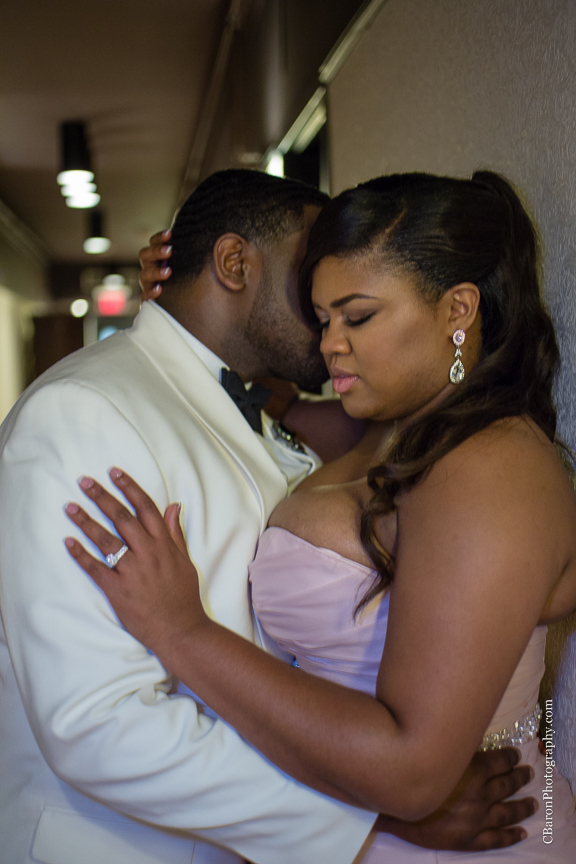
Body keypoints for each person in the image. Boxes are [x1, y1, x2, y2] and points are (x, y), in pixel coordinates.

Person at [0, 169, 533, 864]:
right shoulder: (84, 413)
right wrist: (368, 818)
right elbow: (97, 722)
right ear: (233, 264)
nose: (325, 305)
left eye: (352, 306)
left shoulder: (276, 412)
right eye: (312, 275)